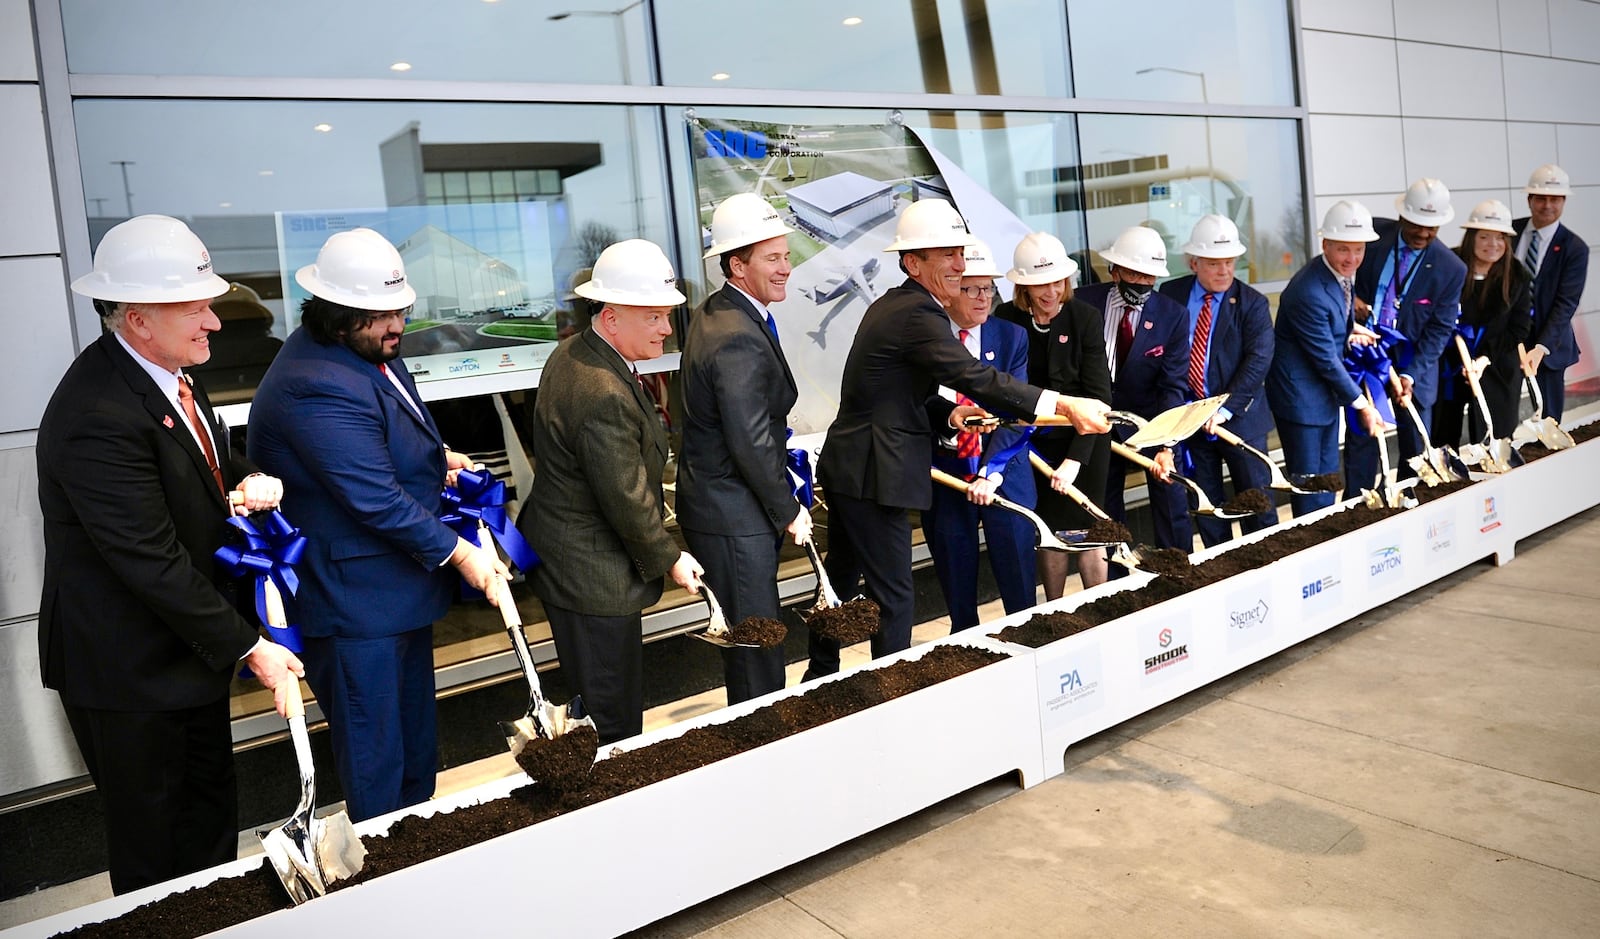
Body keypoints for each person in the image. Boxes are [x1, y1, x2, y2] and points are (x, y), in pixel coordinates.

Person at [37, 215, 304, 894]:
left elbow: (196, 462)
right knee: (158, 857)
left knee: (210, 829)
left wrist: (241, 474)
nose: (215, 320)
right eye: (196, 306)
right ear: (137, 317)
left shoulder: (169, 370)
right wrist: (251, 647)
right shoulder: (96, 414)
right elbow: (148, 559)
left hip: (184, 657)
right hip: (130, 676)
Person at [249, 229, 507, 823]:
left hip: (390, 594)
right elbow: (371, 497)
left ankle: (416, 854)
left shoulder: (363, 352)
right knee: (377, 762)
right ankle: (383, 877)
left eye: (401, 310)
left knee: (415, 754)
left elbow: (377, 444)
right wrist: (462, 555)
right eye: (381, 315)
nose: (397, 324)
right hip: (354, 605)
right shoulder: (315, 381)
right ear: (338, 316)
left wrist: (434, 462)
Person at [806, 199, 1110, 679]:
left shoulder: (901, 306)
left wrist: (952, 417)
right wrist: (1065, 404)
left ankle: (818, 676)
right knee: (894, 595)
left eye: (959, 253)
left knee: (841, 582)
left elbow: (907, 394)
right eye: (945, 254)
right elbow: (975, 375)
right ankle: (891, 697)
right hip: (872, 472)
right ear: (912, 263)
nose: (957, 264)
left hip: (857, 468)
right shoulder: (916, 314)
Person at [518, 239, 704, 744]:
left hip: (569, 557)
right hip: (590, 572)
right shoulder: (601, 390)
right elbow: (624, 495)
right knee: (610, 714)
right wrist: (670, 557)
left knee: (597, 699)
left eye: (667, 316)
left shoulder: (576, 351)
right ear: (612, 314)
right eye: (655, 318)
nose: (667, 329)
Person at [678, 194, 811, 704]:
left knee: (753, 640)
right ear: (738, 265)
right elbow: (750, 438)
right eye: (772, 258)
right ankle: (763, 750)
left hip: (726, 507)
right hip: (733, 514)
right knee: (758, 649)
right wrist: (787, 509)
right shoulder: (735, 333)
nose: (786, 268)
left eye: (786, 255)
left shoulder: (721, 312)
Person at [923, 239, 1039, 631]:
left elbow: (1019, 411)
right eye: (970, 288)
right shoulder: (927, 337)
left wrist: (992, 471)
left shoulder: (1011, 337)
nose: (981, 298)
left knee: (1021, 588)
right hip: (946, 473)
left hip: (1003, 474)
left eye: (988, 287)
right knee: (957, 586)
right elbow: (918, 404)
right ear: (950, 290)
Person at [994, 231, 1112, 596]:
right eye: (1039, 285)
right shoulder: (1005, 318)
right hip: (1032, 444)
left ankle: (1099, 607)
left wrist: (1075, 461)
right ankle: (1054, 609)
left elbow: (1099, 397)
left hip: (1085, 439)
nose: (1050, 292)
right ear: (1023, 288)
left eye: (1057, 282)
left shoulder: (1085, 318)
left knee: (1090, 529)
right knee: (1049, 531)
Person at [1157, 215, 1276, 547]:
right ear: (1194, 262)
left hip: (1240, 421)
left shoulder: (1252, 303)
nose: (1224, 270)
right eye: (1214, 263)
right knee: (1208, 509)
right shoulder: (1172, 294)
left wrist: (1223, 411)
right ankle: (1221, 572)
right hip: (1191, 423)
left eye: (1229, 262)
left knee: (1257, 505)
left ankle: (1267, 568)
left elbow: (1258, 361)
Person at [1346, 178, 1466, 498]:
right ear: (1402, 216)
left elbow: (1440, 329)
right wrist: (1351, 297)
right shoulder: (1371, 236)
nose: (1424, 234)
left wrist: (1411, 373)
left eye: (1433, 227)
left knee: (1414, 448)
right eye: (1418, 225)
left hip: (1414, 365)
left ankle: (1409, 510)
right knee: (1362, 440)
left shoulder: (1451, 268)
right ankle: (1355, 509)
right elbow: (1342, 266)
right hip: (1367, 358)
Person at [1075, 225, 1191, 552]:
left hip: (1151, 423)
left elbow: (1173, 386)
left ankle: (1178, 572)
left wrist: (1167, 445)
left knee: (1171, 499)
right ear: (1115, 270)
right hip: (1099, 423)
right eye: (1134, 274)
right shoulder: (1085, 304)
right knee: (1105, 511)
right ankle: (1116, 581)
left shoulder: (1173, 316)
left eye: (1149, 277)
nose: (1141, 283)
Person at [1266, 201, 1386, 517]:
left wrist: (1351, 329)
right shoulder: (1309, 290)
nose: (1352, 258)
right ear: (1325, 245)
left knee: (1327, 479)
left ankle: (1326, 542)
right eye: (1343, 249)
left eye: (1358, 250)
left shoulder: (1338, 275)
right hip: (1301, 399)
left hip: (1322, 395)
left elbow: (1333, 321)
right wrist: (1362, 405)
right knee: (1310, 483)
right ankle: (1311, 546)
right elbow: (1325, 359)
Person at [1433, 200, 1533, 444]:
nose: (1493, 245)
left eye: (1500, 238)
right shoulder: (1450, 266)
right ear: (1471, 237)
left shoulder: (1516, 275)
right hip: (1451, 365)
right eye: (1485, 237)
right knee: (1442, 433)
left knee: (1494, 435)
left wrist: (1484, 359)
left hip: (1496, 363)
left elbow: (1518, 328)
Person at [1513, 163, 1590, 421]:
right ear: (1529, 199)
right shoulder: (1509, 233)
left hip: (1548, 342)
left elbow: (1566, 304)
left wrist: (1541, 347)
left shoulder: (1574, 248)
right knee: (1502, 407)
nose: (1548, 205)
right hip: (1508, 338)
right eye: (1541, 198)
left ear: (1564, 201)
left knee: (1548, 417)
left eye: (1555, 199)